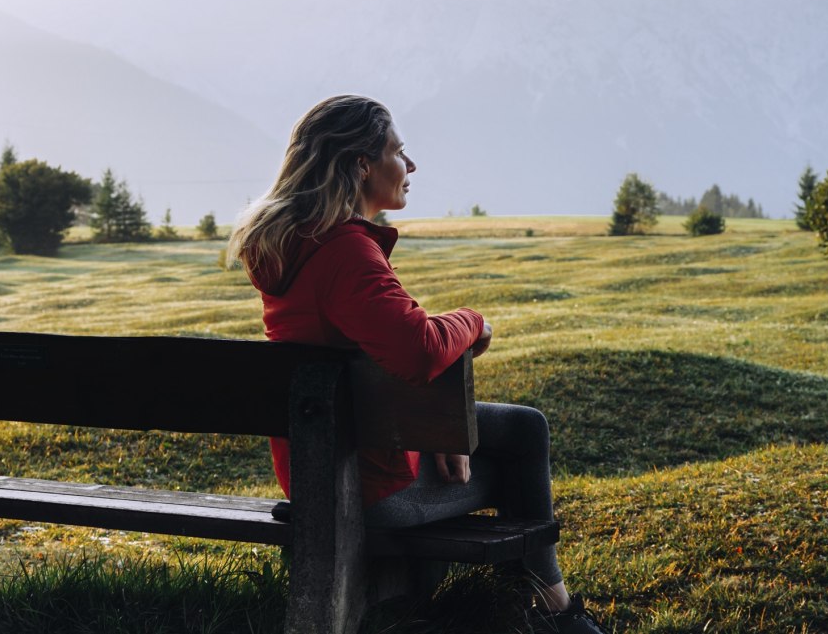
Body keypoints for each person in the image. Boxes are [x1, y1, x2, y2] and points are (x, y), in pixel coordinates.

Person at [226, 95, 606, 633]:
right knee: (516, 461)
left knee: (519, 425)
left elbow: (370, 367)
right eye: (399, 153)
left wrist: (437, 433)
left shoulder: (292, 246)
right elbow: (419, 350)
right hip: (368, 487)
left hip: (318, 464)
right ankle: (551, 614)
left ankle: (498, 606)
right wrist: (474, 322)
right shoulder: (344, 252)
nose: (410, 167)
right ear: (362, 165)